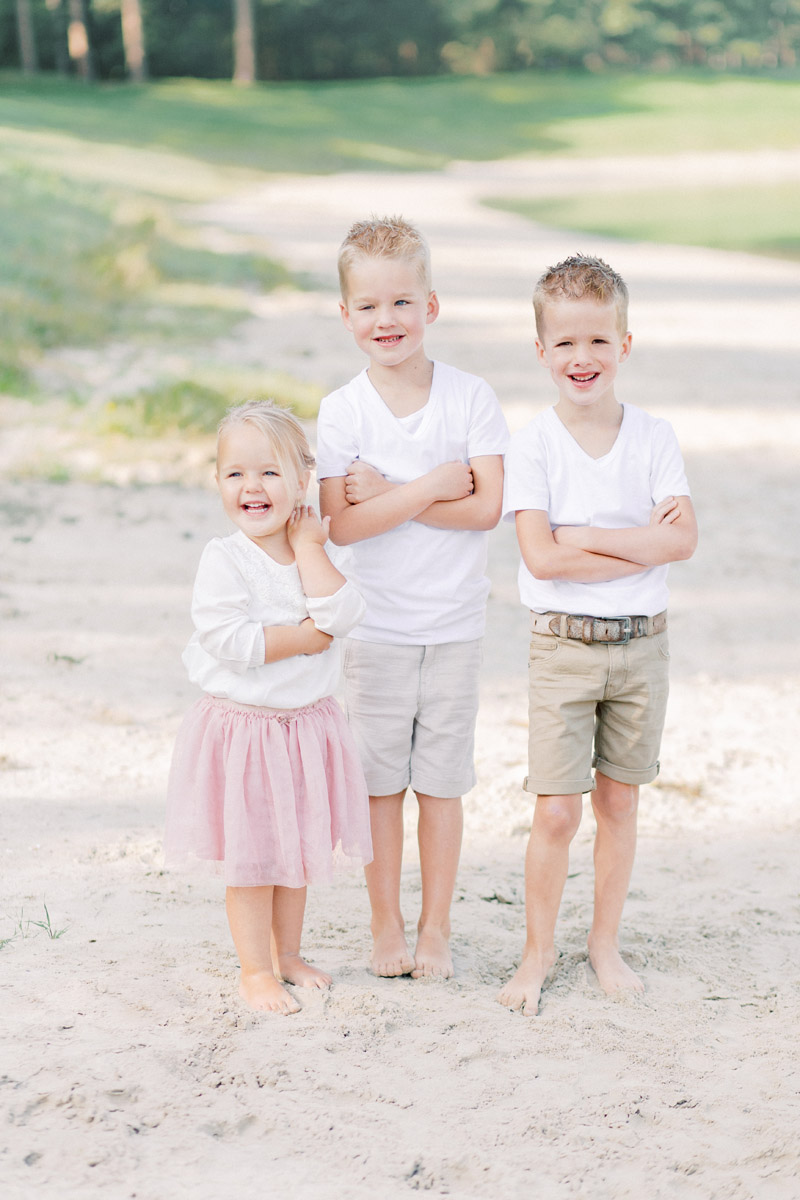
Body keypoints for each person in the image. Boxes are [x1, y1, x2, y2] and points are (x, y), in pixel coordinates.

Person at [500, 253, 698, 1015]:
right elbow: (540, 556)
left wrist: (583, 534)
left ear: (624, 343)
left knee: (620, 801)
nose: (583, 359)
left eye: (598, 342)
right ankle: (536, 950)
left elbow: (680, 543)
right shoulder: (535, 445)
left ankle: (602, 943)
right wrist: (627, 538)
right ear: (542, 351)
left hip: (642, 645)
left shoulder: (653, 436)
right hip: (563, 646)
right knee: (557, 808)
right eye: (566, 344)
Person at [316, 216, 509, 980]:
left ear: (431, 307)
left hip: (455, 627)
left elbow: (487, 507)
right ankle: (386, 928)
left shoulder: (471, 397)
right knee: (379, 790)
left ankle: (436, 929)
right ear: (346, 316)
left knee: (441, 787)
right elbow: (342, 524)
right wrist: (432, 485)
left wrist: (393, 492)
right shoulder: (344, 410)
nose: (385, 320)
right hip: (378, 631)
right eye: (368, 306)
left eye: (402, 303)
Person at [164, 400, 372, 1014]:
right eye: (235, 474)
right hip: (245, 731)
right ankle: (255, 969)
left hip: (307, 728)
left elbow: (345, 615)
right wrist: (306, 638)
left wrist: (310, 547)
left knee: (296, 851)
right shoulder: (224, 558)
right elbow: (226, 639)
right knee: (253, 857)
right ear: (219, 481)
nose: (252, 487)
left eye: (270, 473)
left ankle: (288, 953)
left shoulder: (322, 551)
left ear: (303, 481)